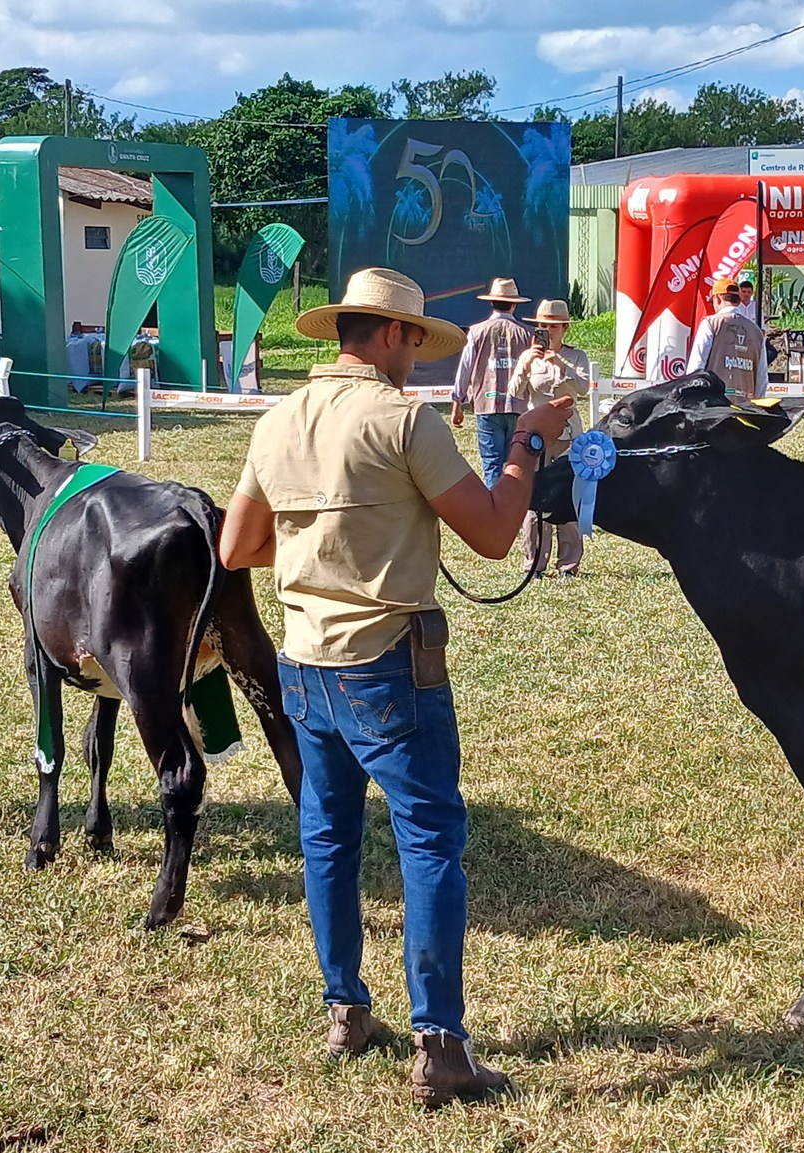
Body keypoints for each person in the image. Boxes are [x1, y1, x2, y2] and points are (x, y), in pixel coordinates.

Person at [218, 267, 574, 1109]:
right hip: (388, 665)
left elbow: (237, 546)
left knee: (328, 838)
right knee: (429, 841)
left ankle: (345, 1010)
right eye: (414, 338)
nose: (417, 354)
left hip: (304, 662)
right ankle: (440, 1043)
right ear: (391, 334)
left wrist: (323, 549)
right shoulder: (405, 420)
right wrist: (527, 443)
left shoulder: (278, 421)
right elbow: (494, 533)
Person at [510, 298, 591, 577]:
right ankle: (533, 563)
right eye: (542, 326)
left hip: (568, 435)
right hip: (536, 436)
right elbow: (514, 391)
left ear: (565, 328)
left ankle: (568, 564)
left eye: (553, 326)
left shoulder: (577, 356)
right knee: (534, 501)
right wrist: (526, 365)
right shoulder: (527, 356)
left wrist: (561, 365)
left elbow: (584, 389)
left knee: (568, 497)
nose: (547, 331)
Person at [450, 277, 531, 487]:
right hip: (518, 406)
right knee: (514, 464)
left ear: (491, 302)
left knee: (492, 463)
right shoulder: (526, 334)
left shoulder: (476, 331)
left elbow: (465, 368)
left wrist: (457, 401)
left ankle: (494, 504)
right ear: (514, 304)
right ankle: (512, 503)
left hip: (486, 405)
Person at [685, 277, 768, 399]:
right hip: (746, 406)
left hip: (715, 404)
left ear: (717, 298)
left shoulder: (711, 323)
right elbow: (762, 377)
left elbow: (696, 367)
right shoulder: (756, 331)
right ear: (738, 301)